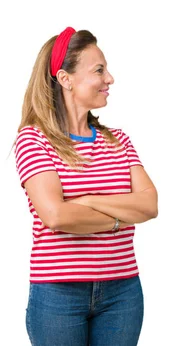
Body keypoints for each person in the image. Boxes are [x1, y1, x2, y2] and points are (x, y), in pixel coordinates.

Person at [14, 27, 158, 345]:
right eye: (99, 70)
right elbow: (57, 217)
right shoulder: (34, 140)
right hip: (58, 294)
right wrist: (121, 216)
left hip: (123, 291)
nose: (110, 79)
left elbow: (149, 206)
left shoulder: (118, 140)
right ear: (65, 79)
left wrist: (89, 199)